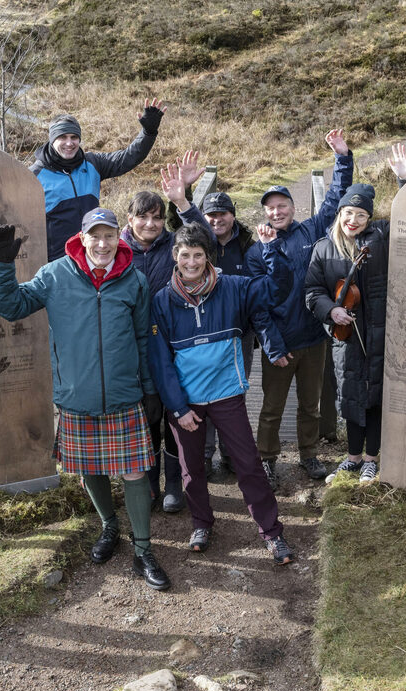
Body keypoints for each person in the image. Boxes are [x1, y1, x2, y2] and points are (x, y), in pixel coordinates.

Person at [0, 208, 170, 591]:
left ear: (119, 238)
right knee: (92, 468)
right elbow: (12, 306)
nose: (102, 244)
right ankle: (109, 527)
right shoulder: (55, 276)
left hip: (124, 395)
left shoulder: (134, 281)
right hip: (76, 395)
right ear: (82, 238)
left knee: (134, 471)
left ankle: (143, 550)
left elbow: (142, 339)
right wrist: (2, 264)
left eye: (109, 236)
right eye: (95, 236)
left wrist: (150, 388)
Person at [148, 222, 296, 564]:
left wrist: (271, 249)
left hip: (227, 395)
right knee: (191, 469)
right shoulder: (162, 301)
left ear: (208, 257)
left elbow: (277, 289)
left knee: (248, 465)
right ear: (175, 256)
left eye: (198, 255)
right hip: (186, 404)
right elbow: (160, 361)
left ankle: (271, 532)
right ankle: (201, 523)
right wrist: (178, 407)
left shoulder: (234, 287)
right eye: (185, 255)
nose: (191, 263)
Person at [247, 128, 354, 484]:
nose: (277, 212)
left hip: (313, 337)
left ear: (294, 208)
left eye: (282, 206)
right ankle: (267, 458)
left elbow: (337, 199)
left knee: (311, 404)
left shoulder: (311, 232)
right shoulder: (256, 251)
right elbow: (257, 305)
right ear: (264, 215)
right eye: (271, 208)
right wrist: (273, 345)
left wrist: (343, 158)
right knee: (272, 409)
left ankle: (309, 454)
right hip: (280, 342)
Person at [124, 162, 216, 513]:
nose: (151, 224)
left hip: (178, 343)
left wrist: (183, 199)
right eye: (143, 217)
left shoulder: (172, 245)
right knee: (147, 418)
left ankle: (174, 485)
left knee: (176, 416)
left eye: (157, 217)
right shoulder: (116, 252)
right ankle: (149, 482)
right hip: (136, 348)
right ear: (129, 219)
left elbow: (203, 239)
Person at [162, 153, 259, 479]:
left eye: (222, 214)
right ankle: (203, 456)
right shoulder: (199, 245)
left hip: (237, 333)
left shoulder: (247, 243)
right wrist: (183, 197)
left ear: (233, 216)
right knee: (201, 393)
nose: (216, 220)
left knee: (231, 393)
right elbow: (185, 228)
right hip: (198, 329)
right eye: (210, 215)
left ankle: (232, 454)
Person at [303, 175, 396, 483]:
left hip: (381, 334)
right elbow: (313, 291)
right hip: (346, 337)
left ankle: (371, 459)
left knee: (375, 397)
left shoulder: (381, 238)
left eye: (361, 215)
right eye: (348, 213)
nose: (353, 220)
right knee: (351, 398)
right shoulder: (324, 249)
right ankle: (353, 457)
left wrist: (405, 178)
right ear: (339, 214)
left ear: (370, 218)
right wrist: (332, 310)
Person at [30, 99, 166, 262]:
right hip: (57, 263)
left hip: (93, 257)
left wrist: (148, 133)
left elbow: (128, 158)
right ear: (52, 140)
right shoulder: (34, 176)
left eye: (74, 137)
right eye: (62, 137)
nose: (69, 143)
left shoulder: (92, 164)